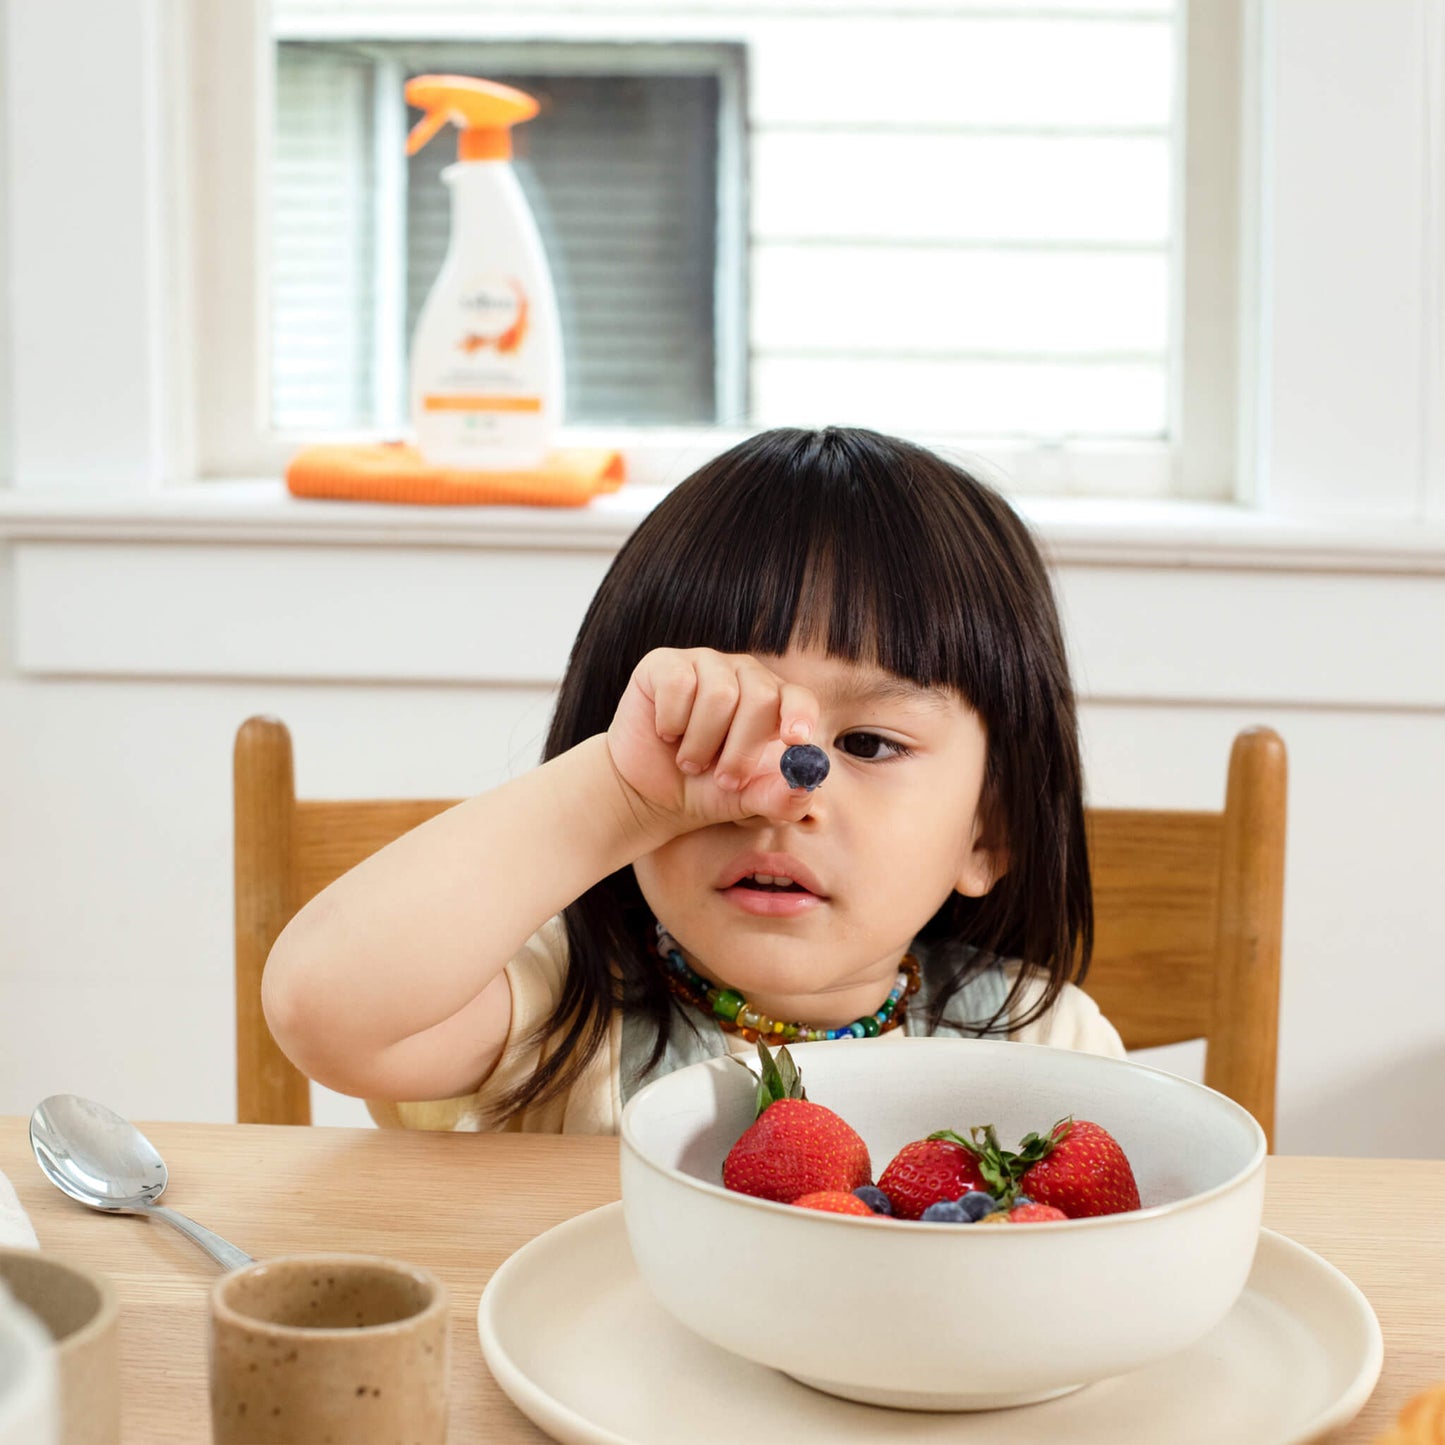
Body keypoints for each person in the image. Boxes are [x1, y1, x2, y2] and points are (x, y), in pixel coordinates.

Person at [262, 426, 1124, 1133]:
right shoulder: (558, 1016)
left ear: (989, 831)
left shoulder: (1042, 1039)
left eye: (865, 740)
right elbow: (321, 1008)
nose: (784, 790)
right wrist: (618, 797)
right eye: (716, 731)